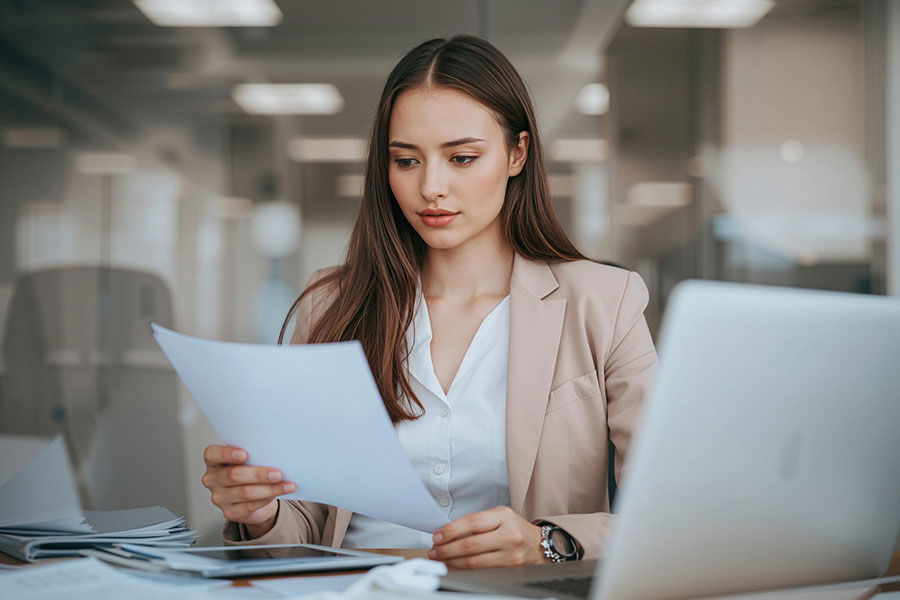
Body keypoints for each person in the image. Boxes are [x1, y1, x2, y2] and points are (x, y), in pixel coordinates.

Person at [201, 34, 657, 569]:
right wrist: (258, 512)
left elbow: (670, 512)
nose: (432, 187)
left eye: (462, 157)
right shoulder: (332, 304)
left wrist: (547, 542)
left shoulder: (602, 301)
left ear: (517, 153)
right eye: (407, 161)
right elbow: (301, 527)